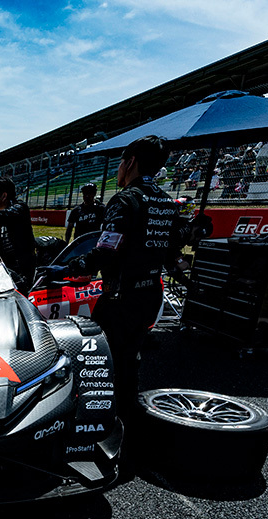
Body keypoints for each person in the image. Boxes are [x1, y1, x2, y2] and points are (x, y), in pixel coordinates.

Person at [69, 136, 184, 423]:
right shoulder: (167, 203)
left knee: (102, 358)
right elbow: (173, 254)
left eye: (121, 162)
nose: (119, 169)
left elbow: (107, 251)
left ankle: (104, 421)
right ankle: (130, 417)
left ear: (130, 162)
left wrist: (74, 265)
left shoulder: (125, 199)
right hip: (150, 295)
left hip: (121, 298)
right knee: (130, 357)